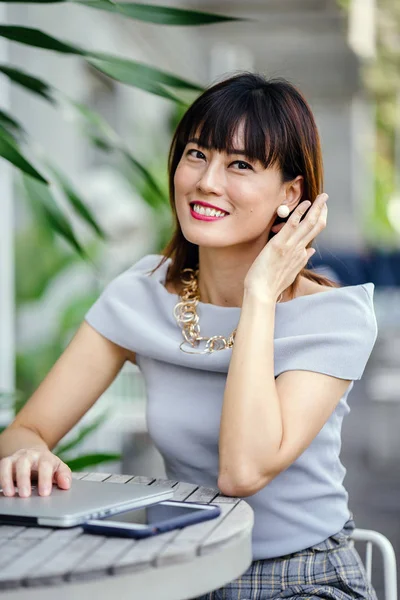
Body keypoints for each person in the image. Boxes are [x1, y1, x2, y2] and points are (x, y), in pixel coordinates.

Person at [0, 72, 378, 600]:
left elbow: (242, 472)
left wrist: (260, 294)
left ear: (291, 194)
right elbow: (25, 431)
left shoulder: (334, 317)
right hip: (175, 570)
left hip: (303, 578)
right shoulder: (142, 294)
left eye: (240, 165)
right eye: (197, 154)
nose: (207, 181)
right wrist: (27, 454)